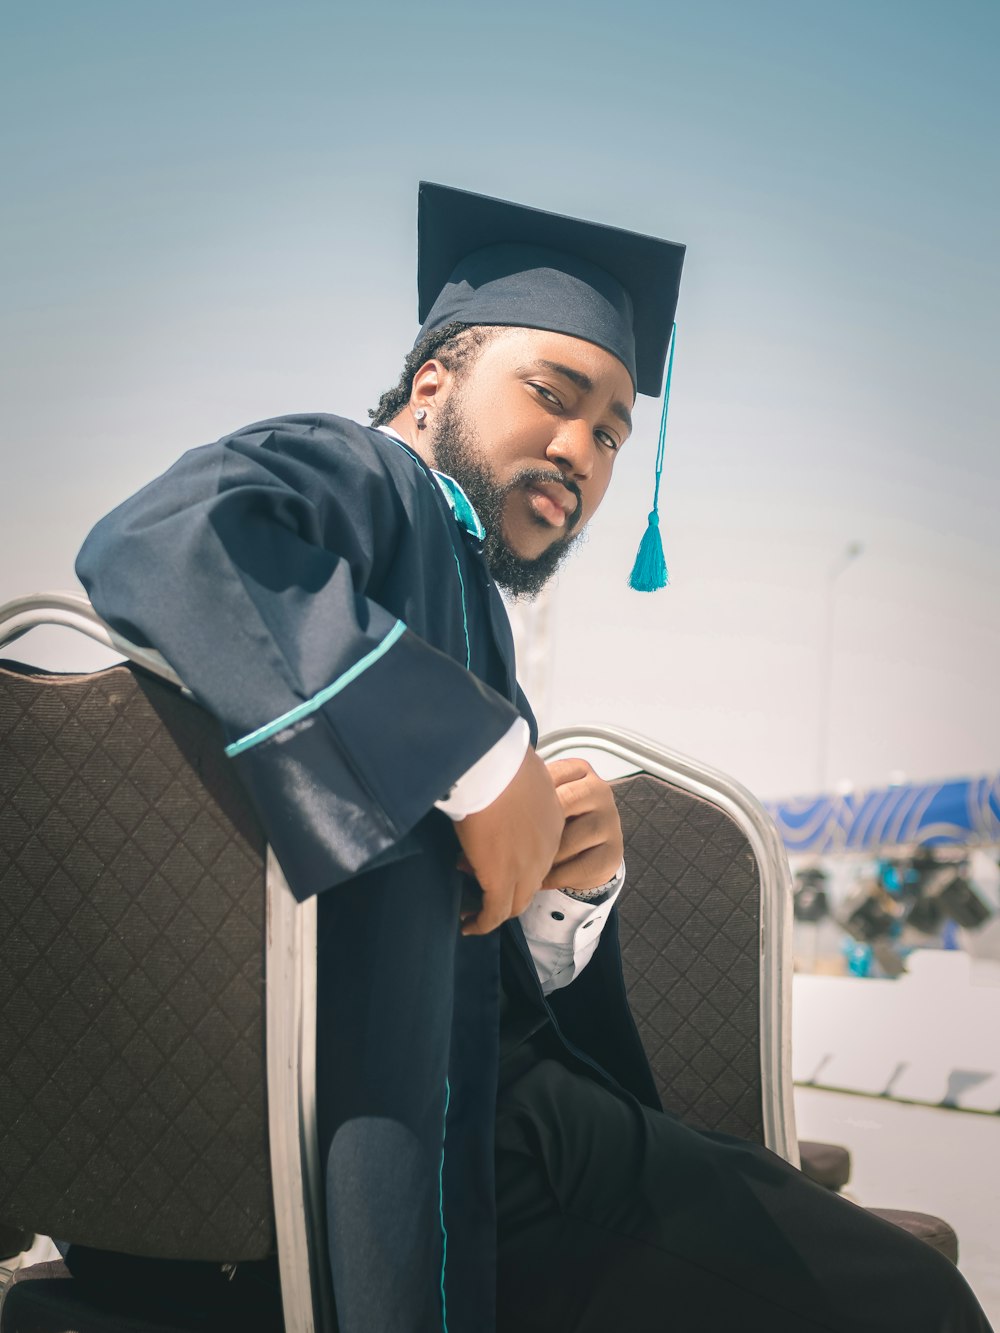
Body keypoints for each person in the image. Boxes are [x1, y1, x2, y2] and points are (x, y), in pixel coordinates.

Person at [74, 183, 991, 1333]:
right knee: (912, 1305)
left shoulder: (453, 590)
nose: (582, 449)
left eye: (611, 432)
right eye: (552, 397)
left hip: (426, 1123)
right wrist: (471, 749)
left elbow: (431, 950)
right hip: (454, 1147)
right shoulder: (372, 481)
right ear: (432, 381)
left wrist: (564, 896)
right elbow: (164, 533)